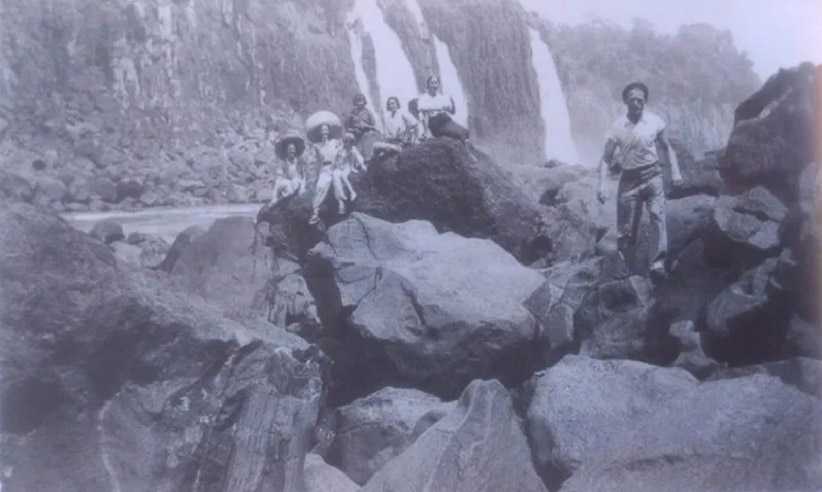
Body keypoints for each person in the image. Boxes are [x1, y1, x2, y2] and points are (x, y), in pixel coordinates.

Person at [597, 81, 682, 281]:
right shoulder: (617, 126)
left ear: (645, 101)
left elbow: (667, 148)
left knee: (657, 218)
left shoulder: (655, 121)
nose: (637, 103)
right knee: (625, 228)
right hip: (628, 180)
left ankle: (657, 264)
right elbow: (606, 158)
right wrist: (602, 183)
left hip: (652, 175)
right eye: (633, 100)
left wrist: (675, 172)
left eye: (641, 100)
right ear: (626, 101)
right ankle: (627, 268)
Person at [309, 123, 345, 224]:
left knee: (337, 180)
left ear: (329, 131)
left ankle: (341, 204)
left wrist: (338, 163)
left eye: (326, 130)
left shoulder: (335, 142)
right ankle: (315, 212)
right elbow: (315, 162)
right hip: (324, 169)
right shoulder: (317, 146)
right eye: (322, 130)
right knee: (320, 186)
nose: (324, 132)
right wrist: (313, 176)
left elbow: (341, 153)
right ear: (319, 132)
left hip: (334, 167)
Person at [269, 133, 307, 207]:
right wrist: (274, 197)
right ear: (286, 151)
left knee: (297, 182)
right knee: (287, 185)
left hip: (298, 183)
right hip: (286, 184)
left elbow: (304, 176)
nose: (292, 151)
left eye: (293, 149)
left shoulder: (300, 161)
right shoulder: (283, 162)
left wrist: (303, 185)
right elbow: (279, 179)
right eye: (290, 149)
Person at [333, 132, 366, 213]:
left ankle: (351, 192)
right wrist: (337, 164)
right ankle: (342, 197)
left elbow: (359, 158)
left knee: (343, 175)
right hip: (339, 167)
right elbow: (335, 160)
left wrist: (362, 165)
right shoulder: (340, 148)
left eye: (350, 142)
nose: (348, 143)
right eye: (346, 141)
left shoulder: (353, 149)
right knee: (335, 176)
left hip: (348, 166)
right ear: (344, 141)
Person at [345, 94, 378, 161]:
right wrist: (353, 130)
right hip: (356, 138)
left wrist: (366, 126)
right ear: (355, 102)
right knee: (357, 157)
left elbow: (375, 127)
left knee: (367, 157)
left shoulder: (368, 113)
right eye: (357, 101)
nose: (359, 103)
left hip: (366, 137)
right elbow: (347, 127)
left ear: (364, 102)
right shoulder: (352, 113)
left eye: (361, 101)